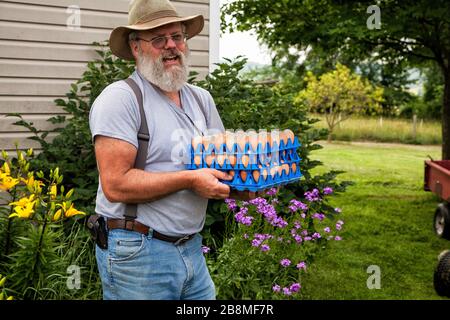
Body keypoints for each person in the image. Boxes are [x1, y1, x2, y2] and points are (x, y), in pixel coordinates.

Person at [89, 0, 255, 300]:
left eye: (177, 37)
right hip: (137, 253)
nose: (172, 46)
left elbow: (218, 165)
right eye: (158, 39)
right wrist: (190, 180)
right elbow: (115, 185)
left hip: (191, 248)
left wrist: (241, 187)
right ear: (136, 47)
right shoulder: (121, 99)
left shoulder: (201, 99)